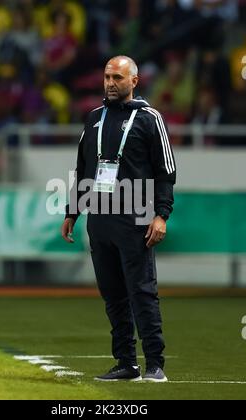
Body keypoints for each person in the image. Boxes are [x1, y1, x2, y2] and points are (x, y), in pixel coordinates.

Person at [61, 56, 176, 382]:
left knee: (141, 291)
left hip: (135, 217)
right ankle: (126, 363)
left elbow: (165, 172)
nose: (110, 83)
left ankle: (155, 364)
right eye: (107, 77)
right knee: (112, 294)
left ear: (134, 81)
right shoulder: (94, 118)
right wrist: (73, 211)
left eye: (117, 77)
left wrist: (161, 215)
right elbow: (84, 169)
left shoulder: (150, 118)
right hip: (100, 219)